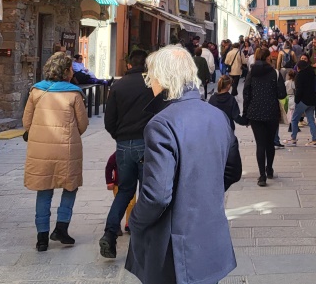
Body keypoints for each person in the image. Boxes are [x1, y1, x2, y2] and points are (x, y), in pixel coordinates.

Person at [126, 45, 242, 284]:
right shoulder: (217, 115)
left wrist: (135, 219)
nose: (150, 83)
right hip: (209, 233)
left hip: (172, 245)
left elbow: (157, 196)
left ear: (163, 78)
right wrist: (203, 194)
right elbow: (233, 171)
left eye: (151, 77)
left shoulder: (161, 124)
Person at [23, 52, 89, 252]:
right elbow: (83, 124)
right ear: (67, 71)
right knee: (70, 186)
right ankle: (61, 227)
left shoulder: (36, 91)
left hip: (40, 150)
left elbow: (26, 122)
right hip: (66, 149)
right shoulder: (74, 94)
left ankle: (42, 238)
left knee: (44, 189)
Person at [100, 49, 152, 258]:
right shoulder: (152, 84)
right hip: (147, 143)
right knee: (148, 191)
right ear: (146, 65)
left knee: (124, 191)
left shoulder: (118, 86)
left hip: (124, 144)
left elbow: (109, 120)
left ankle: (110, 234)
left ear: (129, 65)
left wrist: (119, 136)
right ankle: (144, 237)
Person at [242, 47, 287, 186]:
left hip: (255, 112)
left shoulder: (251, 73)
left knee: (260, 144)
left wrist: (245, 112)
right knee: (269, 143)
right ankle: (269, 169)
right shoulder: (275, 73)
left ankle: (262, 176)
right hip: (271, 112)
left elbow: (246, 93)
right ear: (268, 58)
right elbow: (282, 94)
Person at [287, 57, 316, 147]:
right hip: (311, 100)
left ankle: (293, 139)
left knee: (294, 119)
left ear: (299, 67)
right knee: (311, 120)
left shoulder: (299, 76)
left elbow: (299, 90)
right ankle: (314, 140)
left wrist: (296, 100)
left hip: (302, 101)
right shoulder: (311, 73)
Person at [105, 153, 131, 235]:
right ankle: (116, 225)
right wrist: (109, 182)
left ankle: (129, 224)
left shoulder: (134, 154)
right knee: (119, 205)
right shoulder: (116, 155)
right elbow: (109, 168)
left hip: (131, 184)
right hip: (117, 184)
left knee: (132, 204)